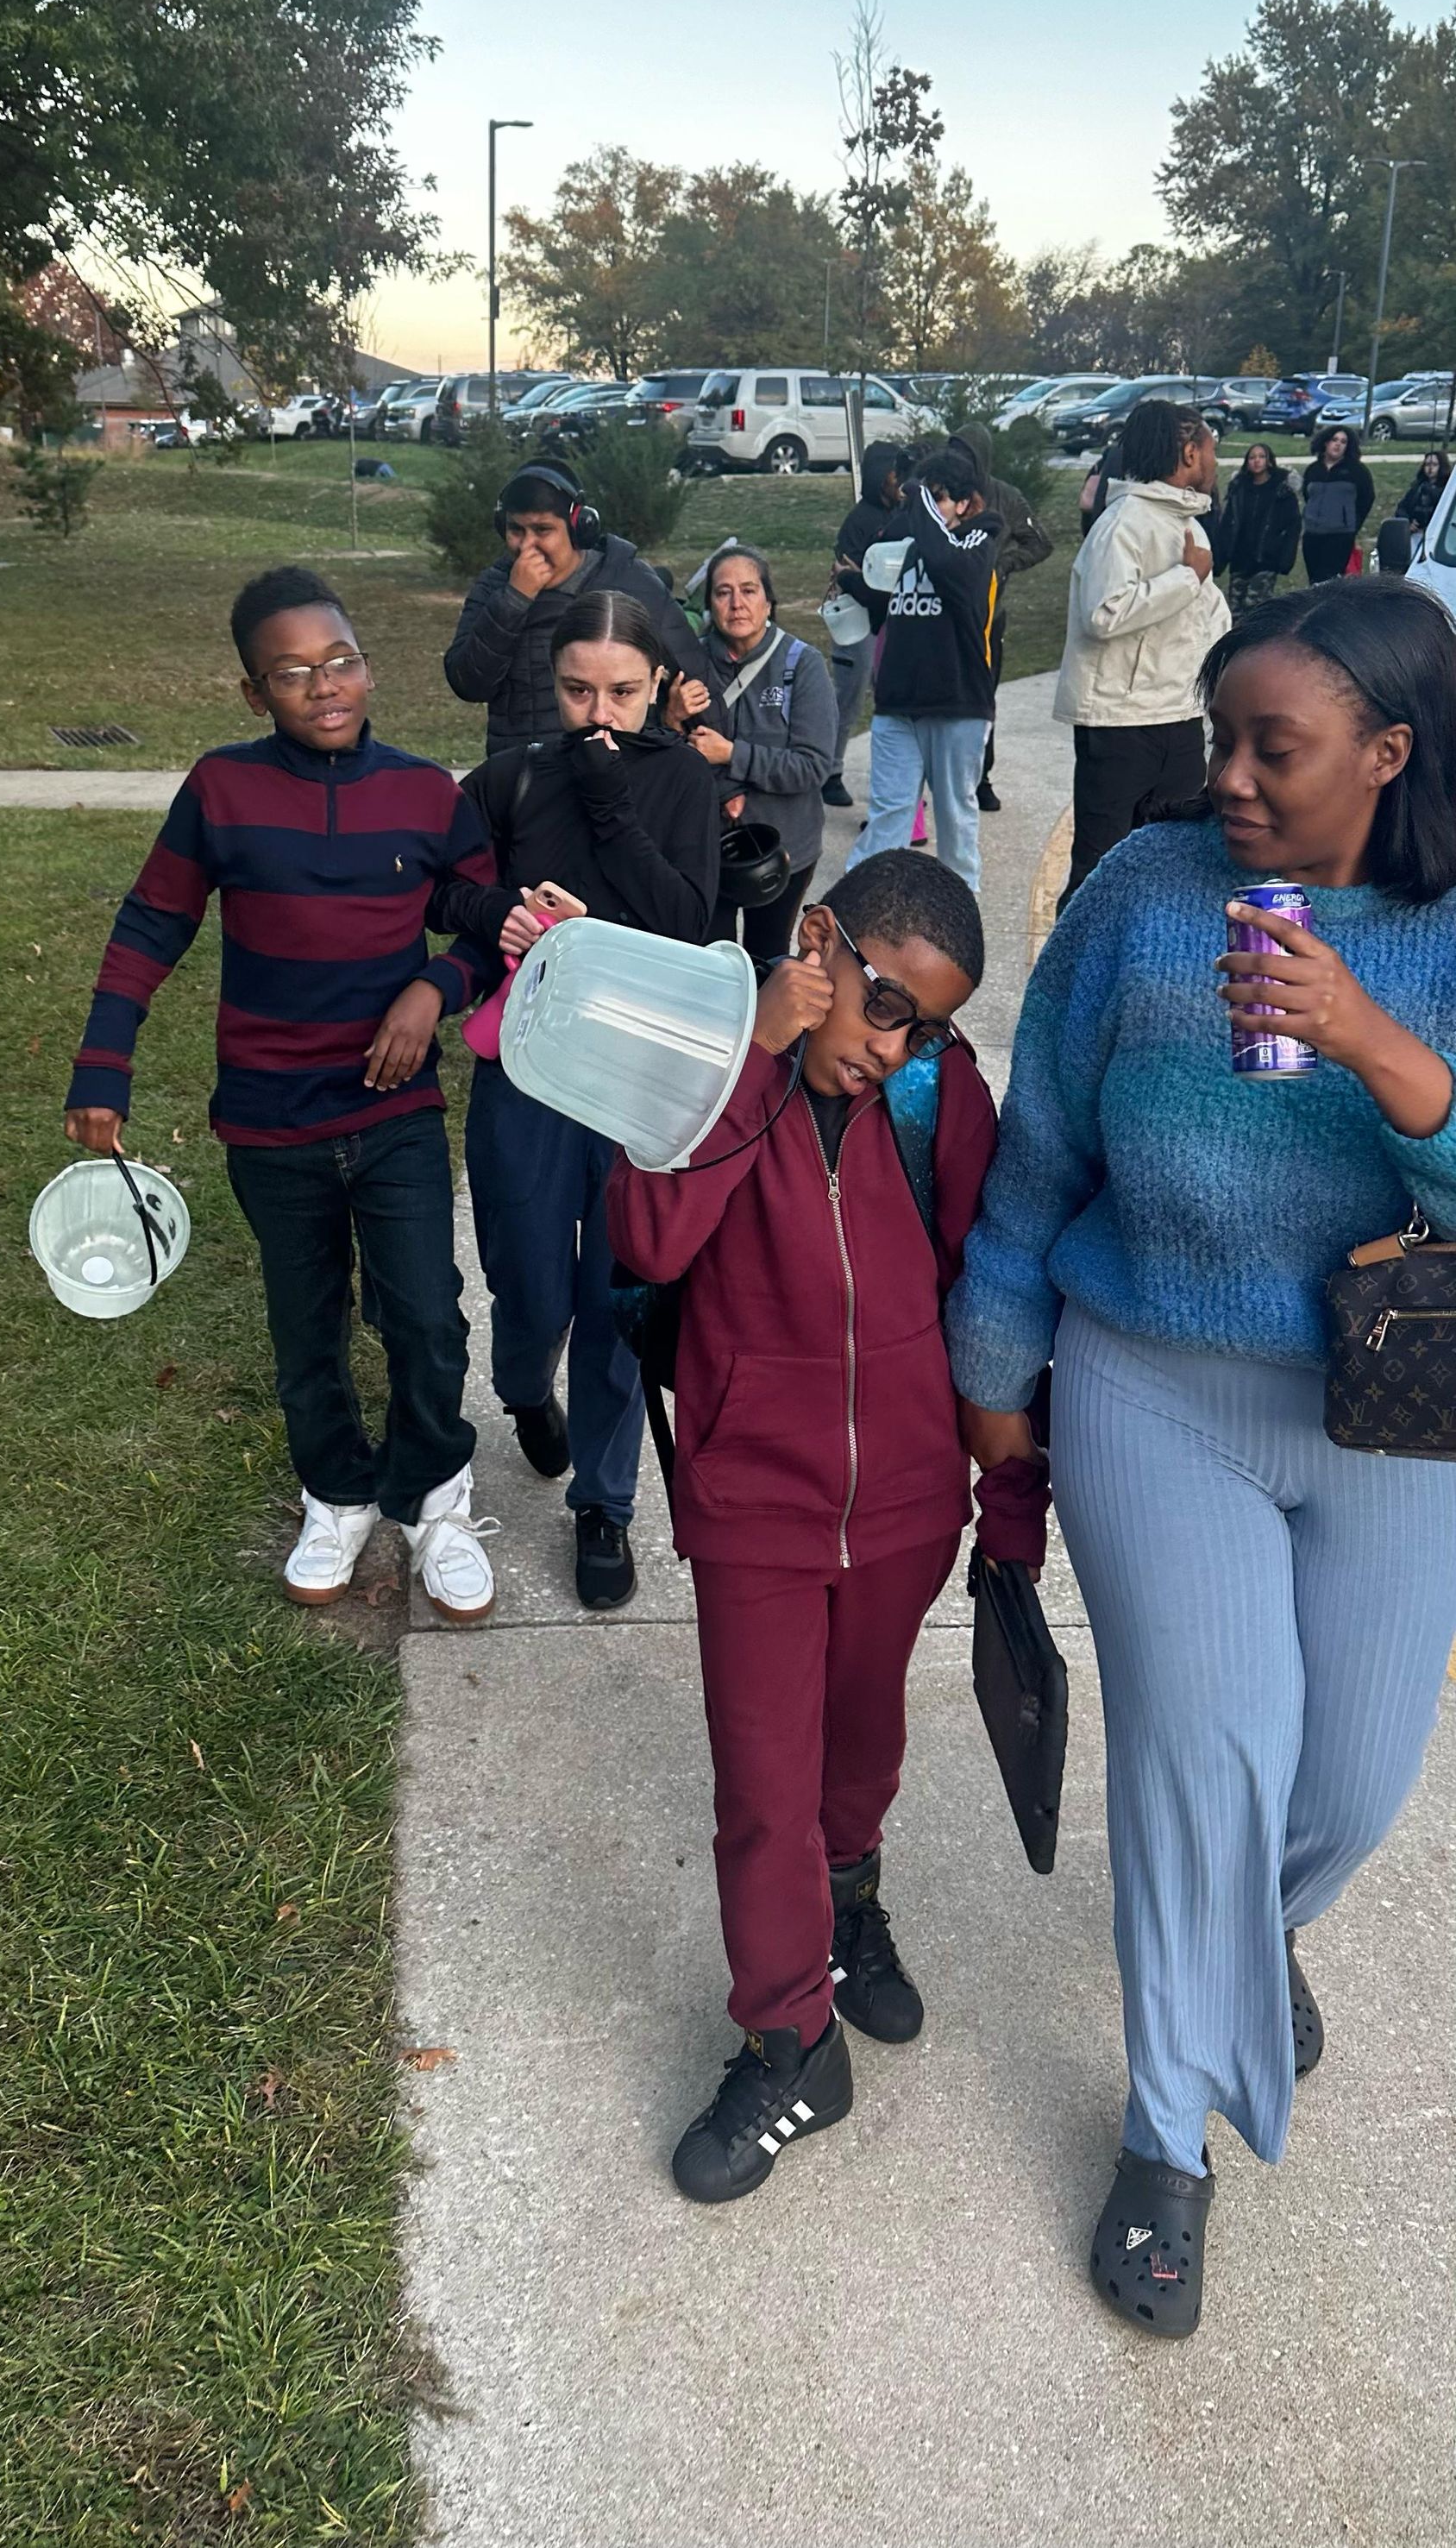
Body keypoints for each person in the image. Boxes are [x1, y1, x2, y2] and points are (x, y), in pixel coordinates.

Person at [949, 581, 1456, 2337]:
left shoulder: (1446, 929)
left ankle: (1249, 1932)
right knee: (1205, 1751)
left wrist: (1379, 1046)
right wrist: (995, 1375)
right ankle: (1169, 2132)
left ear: (1390, 753)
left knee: (1359, 1776)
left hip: (1393, 1402)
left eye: (1276, 747)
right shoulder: (1140, 900)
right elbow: (1040, 1154)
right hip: (1152, 1383)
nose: (1228, 773)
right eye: (1221, 735)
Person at [606, 849, 1047, 2202]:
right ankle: (791, 2039)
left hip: (908, 1498)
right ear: (820, 943)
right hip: (756, 1501)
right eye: (887, 1004)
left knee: (860, 1743)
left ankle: (853, 1906)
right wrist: (757, 1051)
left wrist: (1008, 1499)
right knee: (762, 1786)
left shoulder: (936, 1096)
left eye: (935, 1021)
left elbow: (990, 1293)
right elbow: (650, 1239)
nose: (902, 1046)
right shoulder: (712, 1066)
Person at [65, 567, 504, 1625]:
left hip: (393, 1111)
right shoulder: (220, 789)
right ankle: (339, 1490)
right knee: (304, 1323)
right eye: (294, 672)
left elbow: (491, 926)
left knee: (427, 1317)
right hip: (270, 1116)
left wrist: (430, 988)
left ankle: (435, 1495)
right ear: (256, 692)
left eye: (341, 660)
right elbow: (150, 924)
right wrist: (103, 1062)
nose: (325, 686)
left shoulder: (424, 792)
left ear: (368, 664)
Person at [461, 589, 720, 1611]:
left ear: (657, 682)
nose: (598, 712)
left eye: (620, 688)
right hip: (528, 1066)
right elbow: (445, 889)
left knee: (618, 1290)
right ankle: (524, 1383)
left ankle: (605, 1501)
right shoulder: (515, 774)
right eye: (576, 690)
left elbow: (691, 921)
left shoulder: (680, 783)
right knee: (524, 1276)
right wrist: (507, 914)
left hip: (638, 1073)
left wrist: (613, 807)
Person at [1053, 400, 1229, 910]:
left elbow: (1204, 619)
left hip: (1177, 713)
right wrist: (1185, 577)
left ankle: (1147, 967)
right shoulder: (1123, 523)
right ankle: (1069, 977)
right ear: (1190, 452)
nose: (1216, 462)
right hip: (1121, 722)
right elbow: (1103, 614)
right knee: (1100, 865)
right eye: (1212, 449)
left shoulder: (1187, 523)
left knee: (1172, 856)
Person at [443, 456, 722, 758]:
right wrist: (514, 600)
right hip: (527, 780)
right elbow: (469, 683)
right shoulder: (494, 587)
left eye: (543, 530)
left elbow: (699, 681)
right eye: (516, 530)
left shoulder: (630, 580)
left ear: (579, 527)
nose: (527, 546)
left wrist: (726, 784)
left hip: (622, 774)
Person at [844, 448, 998, 894]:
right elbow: (887, 601)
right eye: (922, 499)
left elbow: (954, 571)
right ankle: (859, 905)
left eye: (939, 499)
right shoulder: (910, 542)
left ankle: (957, 911)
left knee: (954, 819)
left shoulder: (978, 538)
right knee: (889, 813)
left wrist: (922, 509)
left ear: (965, 505)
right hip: (898, 702)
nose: (925, 508)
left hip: (956, 703)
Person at [685, 544, 838, 965]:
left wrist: (731, 755)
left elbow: (812, 766)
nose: (737, 604)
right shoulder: (689, 664)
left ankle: (764, 1033)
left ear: (768, 600)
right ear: (709, 604)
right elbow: (669, 760)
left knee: (766, 962)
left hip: (784, 849)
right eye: (723, 592)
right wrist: (668, 716)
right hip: (706, 849)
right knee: (711, 961)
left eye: (749, 590)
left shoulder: (801, 666)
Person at [945, 418, 1055, 812]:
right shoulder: (940, 494)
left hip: (988, 617)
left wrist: (1005, 563)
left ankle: (981, 777)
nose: (959, 462)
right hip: (940, 617)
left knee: (982, 701)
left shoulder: (1004, 498)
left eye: (966, 456)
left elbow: (1040, 541)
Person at [821, 440, 910, 808]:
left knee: (892, 709)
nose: (899, 481)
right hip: (859, 628)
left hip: (893, 626)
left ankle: (892, 784)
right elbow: (854, 574)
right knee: (848, 700)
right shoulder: (859, 521)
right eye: (894, 473)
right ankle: (830, 772)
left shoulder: (904, 514)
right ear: (879, 476)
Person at [1214, 439, 1301, 618]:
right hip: (1240, 557)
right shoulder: (1239, 488)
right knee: (1235, 609)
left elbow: (1293, 525)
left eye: (1261, 457)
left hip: (1266, 558)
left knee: (1255, 608)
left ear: (1269, 460)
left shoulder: (1281, 491)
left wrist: (1285, 557)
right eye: (1252, 457)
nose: (1257, 461)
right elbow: (1228, 524)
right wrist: (1221, 556)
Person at [1300, 425, 1375, 587]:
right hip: (1312, 534)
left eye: (1343, 442)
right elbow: (1307, 495)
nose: (1338, 445)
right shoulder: (1313, 470)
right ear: (1325, 443)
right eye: (1335, 440)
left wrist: (1352, 524)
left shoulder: (1357, 471)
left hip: (1340, 535)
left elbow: (1366, 499)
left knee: (1328, 581)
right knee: (1314, 580)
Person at [1401, 448, 1451, 538]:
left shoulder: (1448, 489)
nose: (1430, 468)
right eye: (1427, 464)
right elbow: (1402, 508)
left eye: (1435, 464)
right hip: (1416, 534)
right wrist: (1408, 522)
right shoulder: (1417, 488)